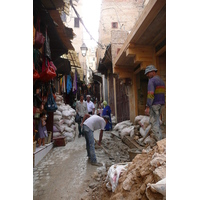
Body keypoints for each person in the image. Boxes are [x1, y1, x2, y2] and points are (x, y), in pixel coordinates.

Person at [144, 64, 165, 141]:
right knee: (158, 122)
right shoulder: (161, 80)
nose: (147, 75)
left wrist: (147, 107)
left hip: (155, 104)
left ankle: (160, 142)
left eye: (148, 73)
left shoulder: (151, 81)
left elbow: (150, 95)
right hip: (161, 103)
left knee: (154, 123)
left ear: (153, 72)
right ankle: (161, 139)